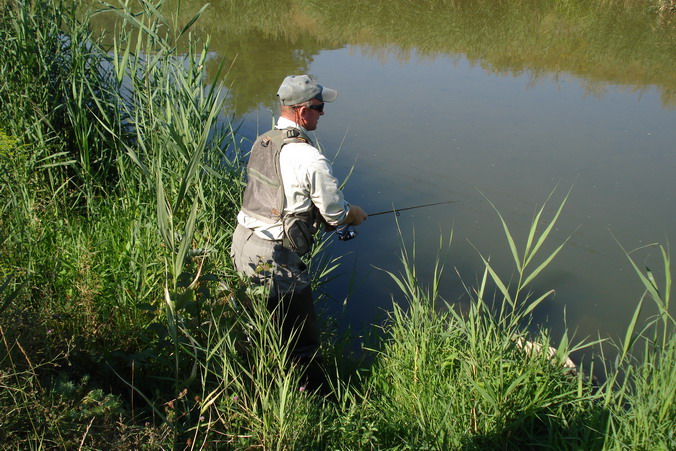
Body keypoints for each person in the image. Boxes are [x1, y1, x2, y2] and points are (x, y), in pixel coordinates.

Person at [230, 75, 367, 393]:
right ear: (303, 111)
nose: (322, 113)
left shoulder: (263, 141)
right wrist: (355, 215)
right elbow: (336, 214)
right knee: (301, 339)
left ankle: (254, 385)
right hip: (275, 256)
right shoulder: (309, 157)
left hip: (242, 244)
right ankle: (313, 404)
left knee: (257, 327)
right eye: (319, 108)